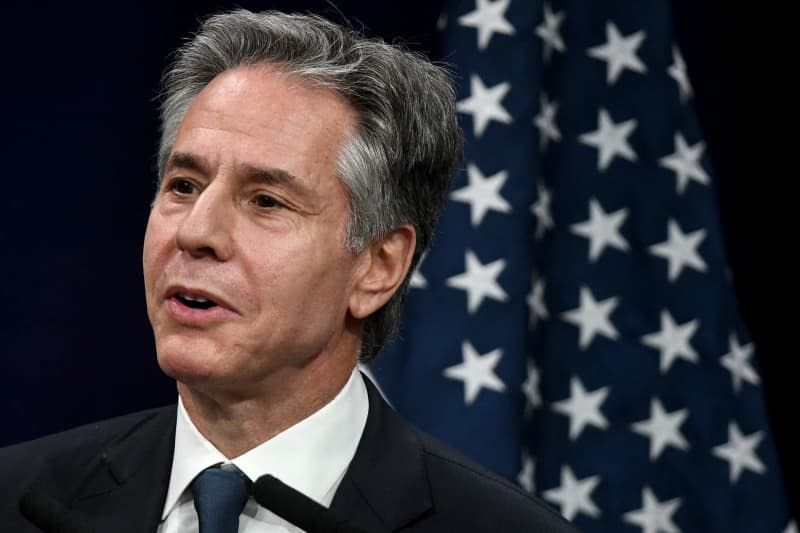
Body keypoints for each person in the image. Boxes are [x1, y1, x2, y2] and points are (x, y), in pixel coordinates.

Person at [0, 9, 576, 533]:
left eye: (267, 201)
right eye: (183, 186)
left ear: (378, 266)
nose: (195, 233)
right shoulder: (19, 498)